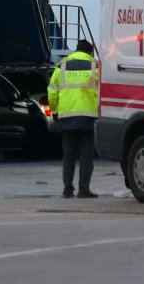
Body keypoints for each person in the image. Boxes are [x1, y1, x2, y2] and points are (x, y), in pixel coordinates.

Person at [48, 39, 100, 198]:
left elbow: (51, 92)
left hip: (67, 117)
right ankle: (84, 190)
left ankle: (67, 189)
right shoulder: (95, 67)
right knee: (86, 156)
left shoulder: (62, 67)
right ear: (90, 52)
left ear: (76, 50)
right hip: (88, 117)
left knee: (69, 155)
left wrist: (55, 111)